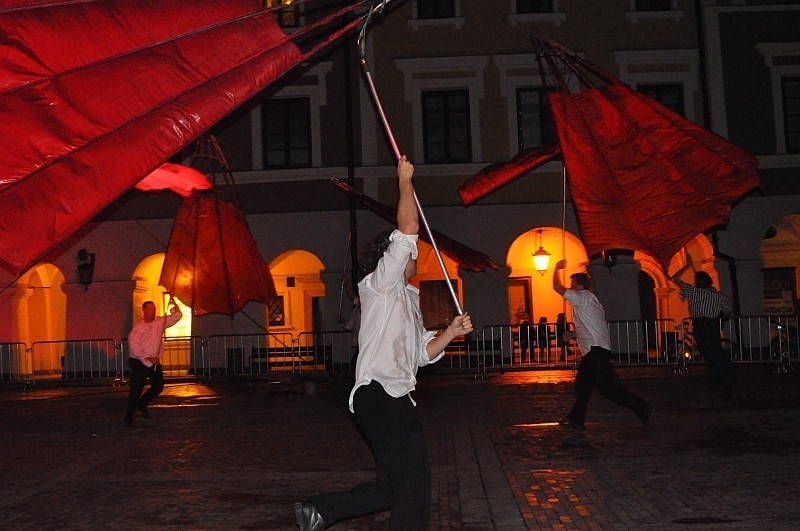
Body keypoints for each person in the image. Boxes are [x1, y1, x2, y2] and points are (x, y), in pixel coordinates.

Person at [294, 156, 473, 531]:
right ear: (391, 256)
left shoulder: (407, 297)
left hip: (390, 397)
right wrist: (404, 181)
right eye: (410, 250)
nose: (416, 252)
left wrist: (451, 333)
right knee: (416, 485)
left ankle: (321, 511)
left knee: (394, 487)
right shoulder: (380, 284)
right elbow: (408, 228)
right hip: (380, 395)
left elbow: (420, 356)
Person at [552, 260, 653, 433]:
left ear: (579, 285)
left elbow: (557, 288)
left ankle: (577, 420)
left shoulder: (583, 298)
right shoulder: (590, 302)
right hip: (597, 350)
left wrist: (556, 268)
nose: (570, 287)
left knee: (584, 386)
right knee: (609, 390)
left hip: (595, 351)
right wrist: (572, 334)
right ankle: (643, 409)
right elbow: (591, 327)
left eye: (572, 284)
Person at [670, 256, 734, 400]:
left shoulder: (692, 292)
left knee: (708, 354)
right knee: (714, 352)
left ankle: (720, 379)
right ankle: (719, 379)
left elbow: (674, 278)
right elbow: (729, 309)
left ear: (698, 282)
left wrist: (686, 266)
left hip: (700, 327)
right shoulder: (718, 295)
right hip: (713, 326)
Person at [124, 300, 182, 427]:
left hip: (153, 362)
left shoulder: (159, 322)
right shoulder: (139, 327)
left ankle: (143, 403)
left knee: (158, 387)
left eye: (154, 309)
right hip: (139, 362)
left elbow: (177, 316)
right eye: (150, 309)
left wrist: (174, 303)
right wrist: (148, 358)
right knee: (136, 390)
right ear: (144, 311)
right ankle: (129, 417)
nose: (153, 311)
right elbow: (134, 345)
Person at [337, 273, 361, 372]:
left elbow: (352, 295)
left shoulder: (367, 306)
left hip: (365, 341)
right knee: (355, 363)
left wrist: (346, 282)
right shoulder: (358, 308)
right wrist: (341, 319)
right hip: (360, 342)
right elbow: (350, 325)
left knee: (356, 363)